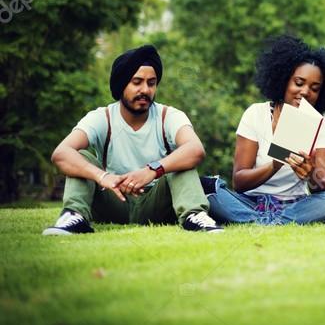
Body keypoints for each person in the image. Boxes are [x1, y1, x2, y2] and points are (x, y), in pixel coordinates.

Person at [43, 44, 221, 234]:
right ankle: (74, 217)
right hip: (112, 201)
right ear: (122, 85)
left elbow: (195, 149)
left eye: (151, 83)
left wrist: (152, 170)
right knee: (79, 155)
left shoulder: (168, 116)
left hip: (157, 205)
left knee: (181, 160)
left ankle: (194, 217)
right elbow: (61, 153)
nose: (145, 90)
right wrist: (103, 177)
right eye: (137, 82)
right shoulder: (101, 117)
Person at [206, 36, 325, 225]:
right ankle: (269, 220)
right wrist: (274, 165)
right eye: (299, 83)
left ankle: (259, 222)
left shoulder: (324, 121)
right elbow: (239, 182)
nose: (305, 92)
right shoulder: (255, 113)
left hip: (295, 205)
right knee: (205, 187)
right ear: (283, 80)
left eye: (314, 88)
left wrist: (310, 173)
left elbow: (322, 186)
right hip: (249, 202)